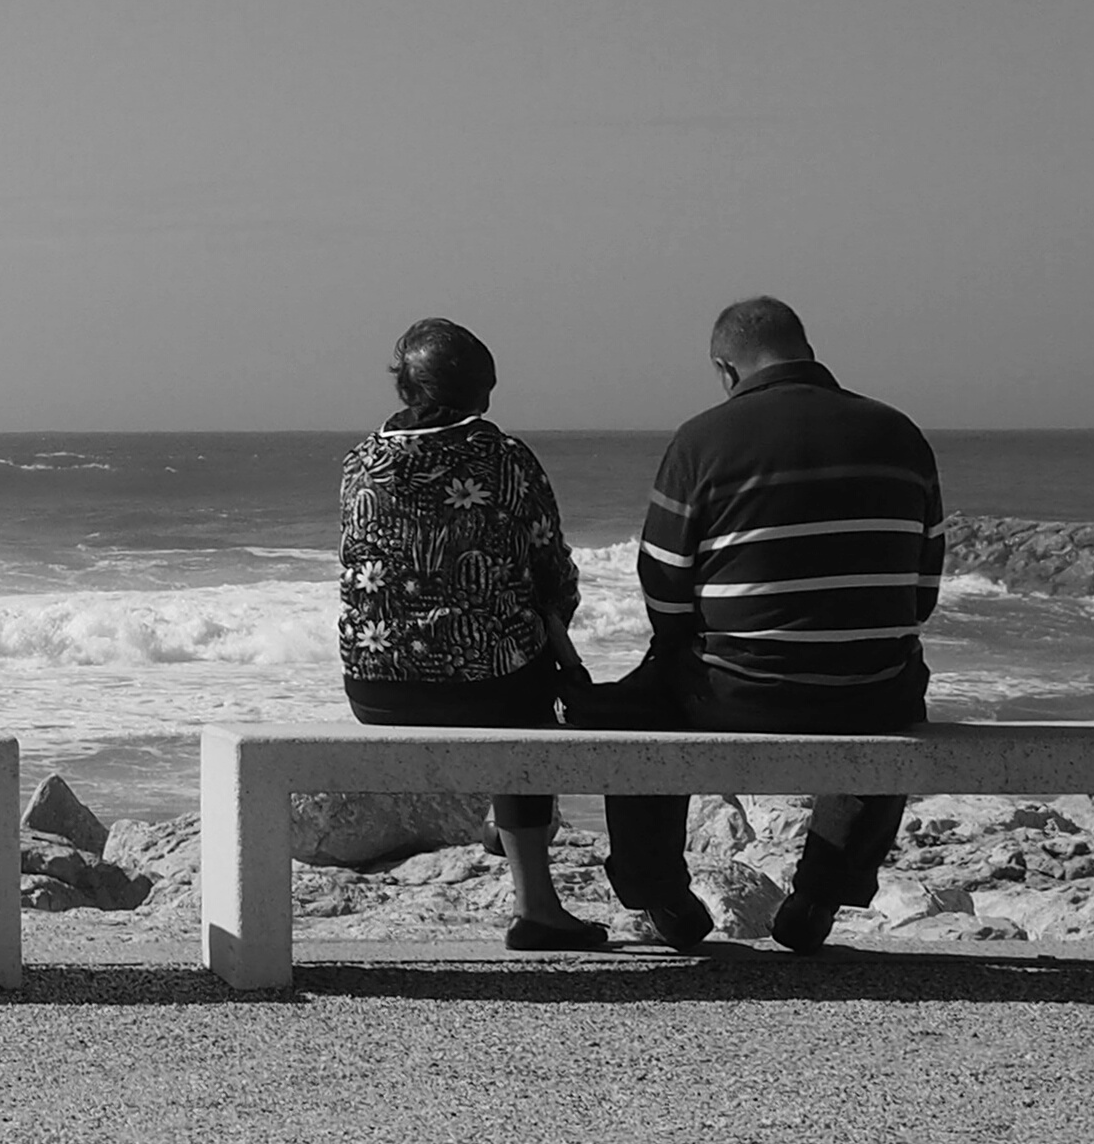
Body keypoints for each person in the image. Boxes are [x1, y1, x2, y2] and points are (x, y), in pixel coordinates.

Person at [577, 296, 949, 955]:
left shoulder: (703, 439)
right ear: (805, 349)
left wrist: (683, 648)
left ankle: (658, 892)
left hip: (735, 691)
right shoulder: (900, 434)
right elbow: (920, 593)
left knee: (638, 704)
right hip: (868, 691)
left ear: (725, 367)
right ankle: (819, 895)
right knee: (897, 684)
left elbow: (662, 582)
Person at [337, 316, 604, 951]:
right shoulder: (505, 458)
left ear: (405, 389)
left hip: (376, 689)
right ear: (482, 393)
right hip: (494, 691)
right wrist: (557, 623)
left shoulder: (359, 463)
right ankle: (536, 905)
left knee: (505, 661)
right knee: (523, 684)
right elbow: (552, 571)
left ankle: (499, 823)